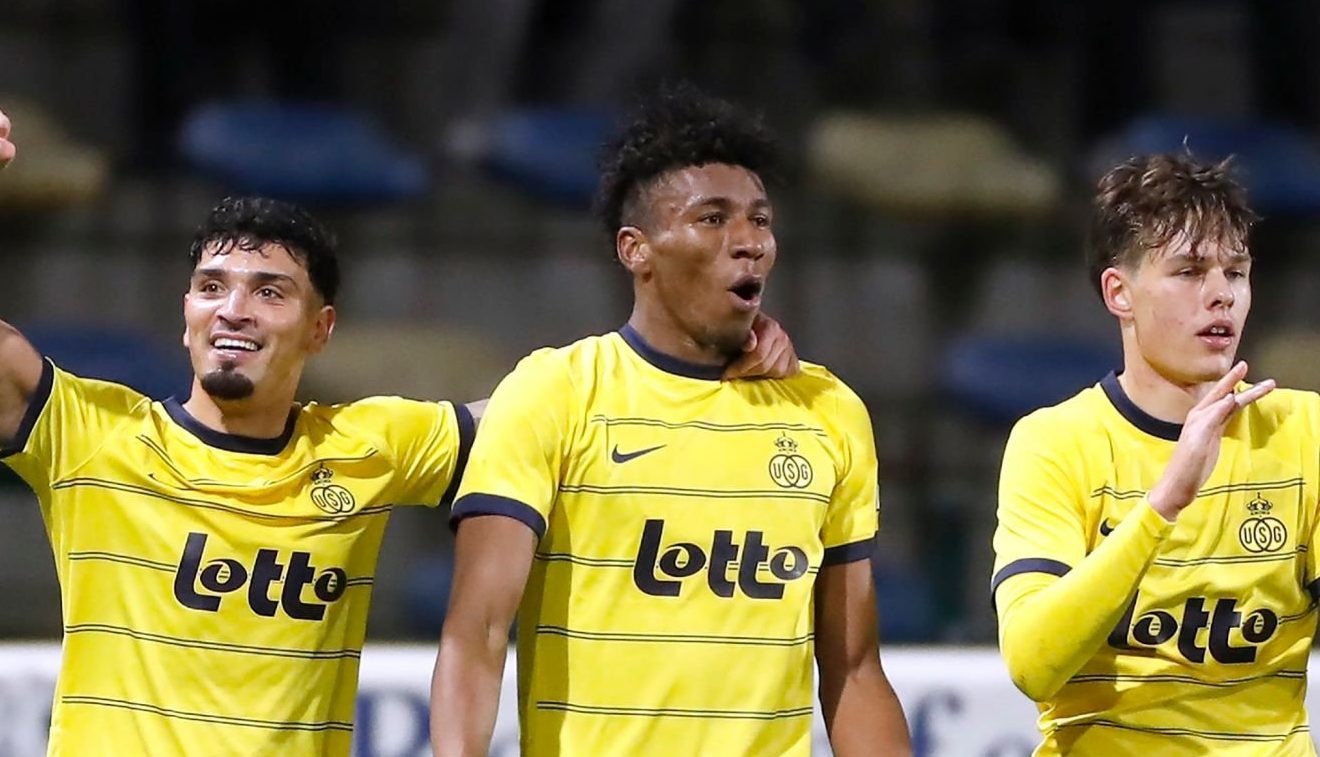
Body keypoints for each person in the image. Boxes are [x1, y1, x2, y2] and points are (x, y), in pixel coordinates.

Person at [0, 108, 797, 756]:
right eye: (212, 287)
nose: (234, 310)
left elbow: (568, 410)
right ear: (186, 316)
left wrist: (719, 335)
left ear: (321, 329)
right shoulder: (92, 434)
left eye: (270, 292)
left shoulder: (370, 445)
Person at [430, 85, 912, 757]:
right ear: (637, 249)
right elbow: (477, 633)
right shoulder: (554, 392)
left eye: (760, 220)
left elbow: (854, 667)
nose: (749, 242)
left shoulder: (828, 410)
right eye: (713, 219)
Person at [989, 152, 1320, 755]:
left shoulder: (1303, 432)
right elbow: (1033, 664)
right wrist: (1164, 504)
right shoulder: (1054, 443)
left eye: (1236, 272)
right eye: (1189, 272)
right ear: (1119, 292)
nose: (1221, 296)